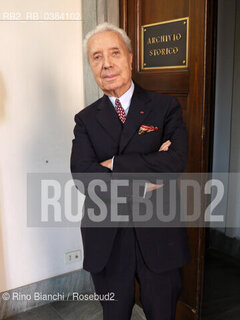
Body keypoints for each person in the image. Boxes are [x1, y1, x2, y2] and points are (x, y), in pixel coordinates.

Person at [71, 22, 190, 320]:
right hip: (108, 238)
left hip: (160, 234)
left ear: (131, 57)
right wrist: (145, 176)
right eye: (96, 57)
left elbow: (174, 161)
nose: (107, 63)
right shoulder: (85, 119)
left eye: (114, 53)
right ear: (90, 65)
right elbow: (84, 177)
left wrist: (113, 165)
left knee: (162, 313)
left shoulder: (165, 107)